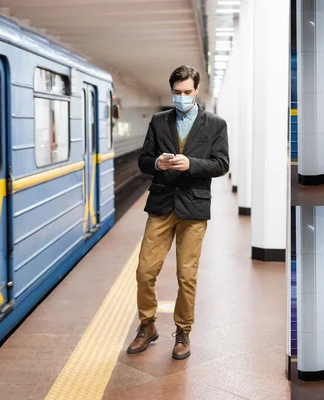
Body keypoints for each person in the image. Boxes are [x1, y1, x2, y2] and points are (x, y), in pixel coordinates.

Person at [126, 65, 229, 360]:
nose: (182, 97)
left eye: (187, 92)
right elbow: (143, 160)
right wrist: (157, 163)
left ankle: (183, 331)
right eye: (177, 92)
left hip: (194, 207)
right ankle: (147, 325)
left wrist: (192, 164)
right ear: (171, 90)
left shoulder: (215, 125)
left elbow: (222, 164)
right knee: (145, 271)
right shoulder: (159, 122)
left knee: (187, 275)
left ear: (197, 90)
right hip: (161, 204)